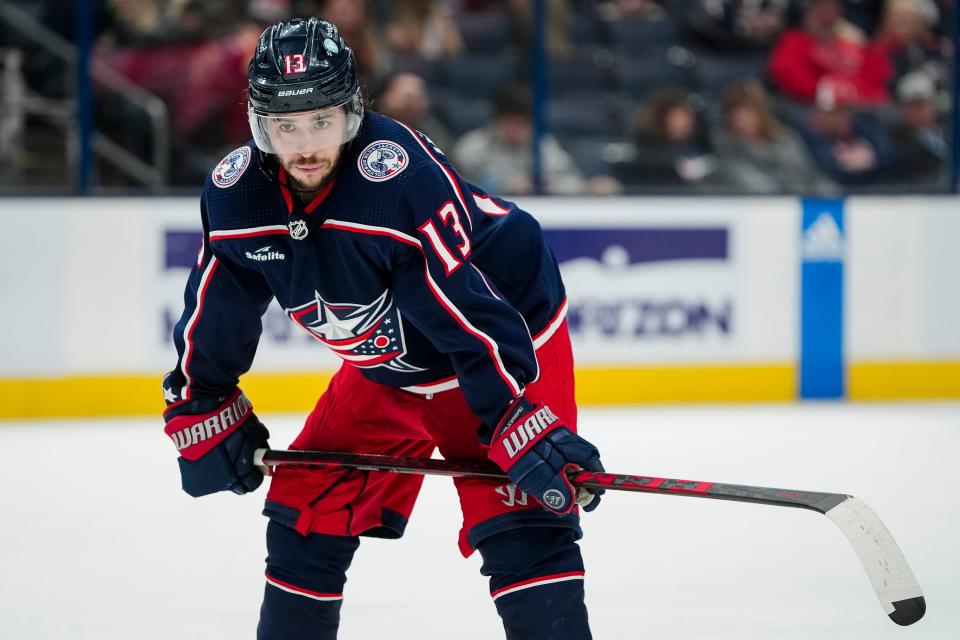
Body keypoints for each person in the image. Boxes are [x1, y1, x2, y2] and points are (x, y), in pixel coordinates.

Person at [161, 17, 604, 640]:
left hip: (503, 337)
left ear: (352, 114)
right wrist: (202, 398)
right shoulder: (236, 197)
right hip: (390, 362)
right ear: (260, 125)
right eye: (286, 126)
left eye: (323, 121)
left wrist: (512, 417)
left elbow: (465, 313)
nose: (306, 144)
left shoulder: (397, 179)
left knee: (525, 522)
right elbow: (215, 307)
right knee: (307, 507)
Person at [452, 85, 586, 195]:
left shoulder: (543, 145)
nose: (521, 128)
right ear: (499, 119)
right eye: (514, 121)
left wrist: (548, 185)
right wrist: (506, 186)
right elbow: (458, 191)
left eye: (526, 121)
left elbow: (573, 182)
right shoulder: (472, 148)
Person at [712, 80, 836, 194]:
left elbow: (809, 174)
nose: (744, 120)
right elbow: (759, 187)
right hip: (763, 208)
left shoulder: (786, 139)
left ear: (762, 113)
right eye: (739, 114)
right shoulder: (727, 148)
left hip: (799, 202)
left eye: (749, 112)